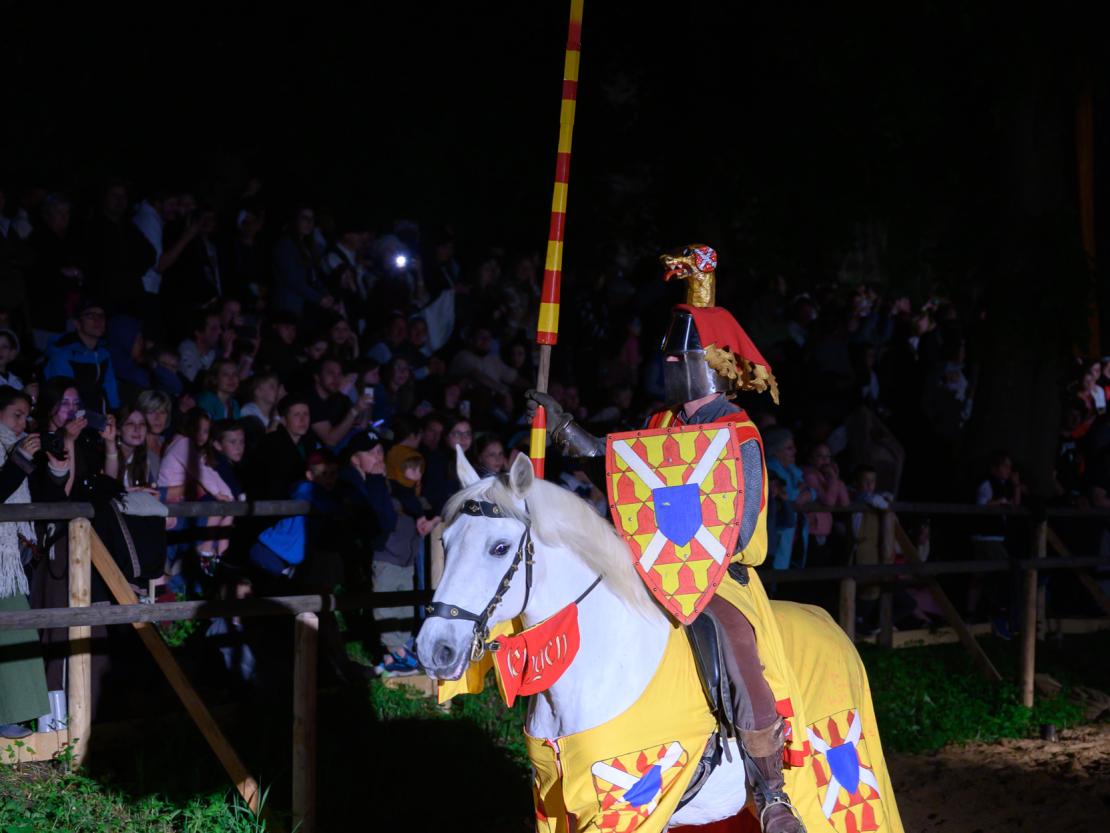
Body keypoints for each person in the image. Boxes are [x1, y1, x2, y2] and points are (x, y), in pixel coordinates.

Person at [527, 245, 802, 833]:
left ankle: (771, 789)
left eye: (678, 356)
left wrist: (692, 561)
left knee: (732, 636)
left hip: (718, 576)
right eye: (668, 355)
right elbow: (622, 468)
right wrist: (566, 427)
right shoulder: (660, 424)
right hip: (650, 569)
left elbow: (739, 521)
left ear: (706, 363)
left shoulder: (739, 434)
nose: (667, 364)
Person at [0, 386, 53, 738]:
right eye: (16, 415)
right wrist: (19, 459)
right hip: (2, 558)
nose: (22, 423)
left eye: (26, 416)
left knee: (16, 628)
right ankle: (7, 716)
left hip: (11, 559)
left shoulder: (14, 448)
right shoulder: (12, 450)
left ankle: (12, 716)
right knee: (12, 626)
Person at [42, 297, 121, 413]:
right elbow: (64, 400)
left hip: (101, 418)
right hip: (74, 418)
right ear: (77, 323)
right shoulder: (64, 353)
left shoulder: (103, 353)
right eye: (90, 315)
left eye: (101, 315)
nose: (98, 320)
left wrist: (115, 414)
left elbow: (111, 390)